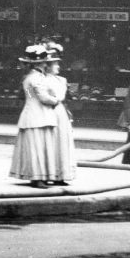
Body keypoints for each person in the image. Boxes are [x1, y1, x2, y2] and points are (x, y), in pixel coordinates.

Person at [9, 44, 59, 189]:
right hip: (39, 116)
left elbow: (30, 96)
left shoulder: (28, 78)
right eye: (45, 62)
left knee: (34, 148)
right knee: (38, 148)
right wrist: (55, 100)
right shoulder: (37, 78)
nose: (46, 64)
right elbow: (43, 97)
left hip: (32, 115)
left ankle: (35, 176)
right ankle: (38, 178)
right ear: (42, 63)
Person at [44, 42, 76, 186]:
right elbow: (31, 96)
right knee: (51, 142)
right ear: (48, 66)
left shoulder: (62, 80)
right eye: (55, 64)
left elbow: (66, 97)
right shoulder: (41, 80)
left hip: (60, 113)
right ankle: (49, 173)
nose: (58, 66)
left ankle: (61, 174)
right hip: (49, 111)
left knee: (62, 141)